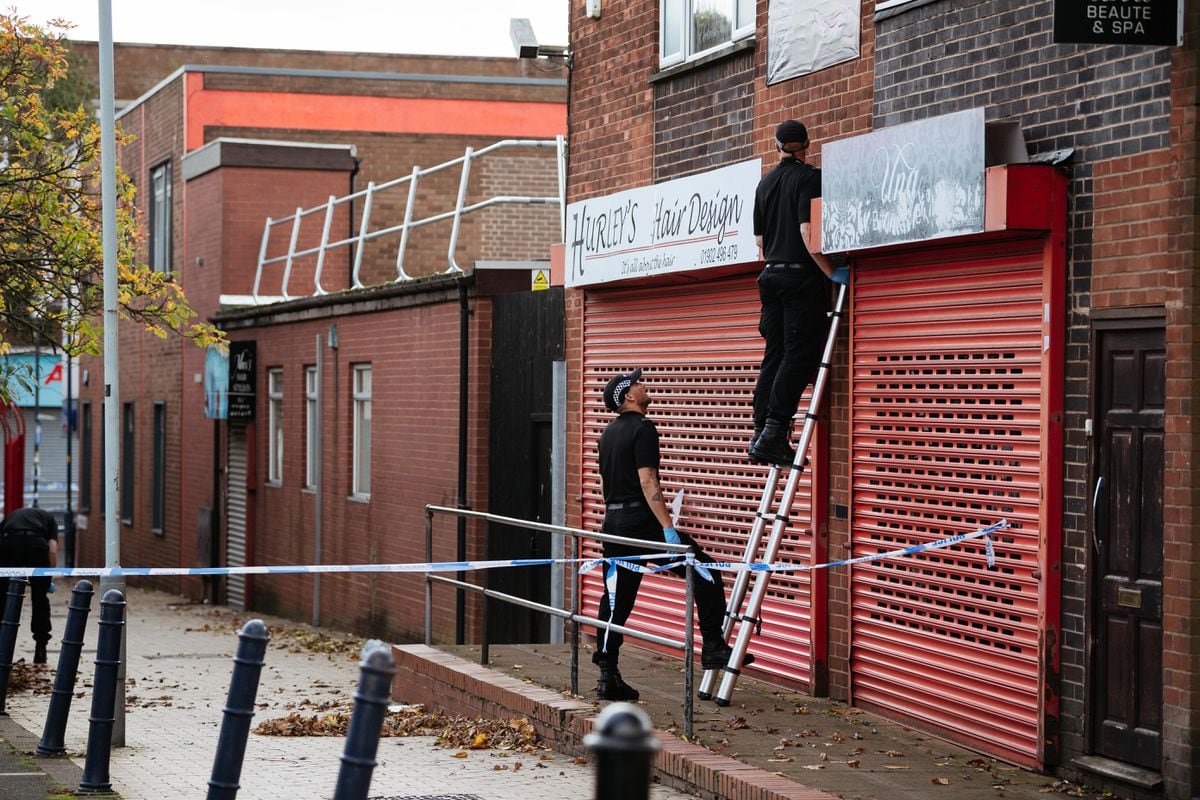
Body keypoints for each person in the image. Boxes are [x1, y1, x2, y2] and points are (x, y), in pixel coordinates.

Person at [592, 368, 752, 701]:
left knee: (616, 597)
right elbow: (648, 481)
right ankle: (712, 646)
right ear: (629, 396)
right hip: (642, 521)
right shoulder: (643, 428)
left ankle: (608, 676)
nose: (643, 385)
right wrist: (667, 529)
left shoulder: (608, 433)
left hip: (614, 523)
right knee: (705, 571)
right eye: (637, 383)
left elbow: (609, 483)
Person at [749, 119, 848, 467]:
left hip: (770, 276)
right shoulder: (809, 178)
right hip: (798, 278)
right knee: (799, 355)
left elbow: (760, 242)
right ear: (805, 145)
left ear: (776, 147)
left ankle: (760, 430)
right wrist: (832, 271)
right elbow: (808, 232)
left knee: (774, 355)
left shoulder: (764, 184)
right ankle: (775, 431)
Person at [0, 506, 59, 664]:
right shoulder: (49, 518)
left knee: (4, 596)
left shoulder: (11, 516)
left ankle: (3, 645)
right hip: (36, 544)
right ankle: (41, 647)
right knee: (39, 597)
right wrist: (48, 578)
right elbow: (52, 550)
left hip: (9, 541)